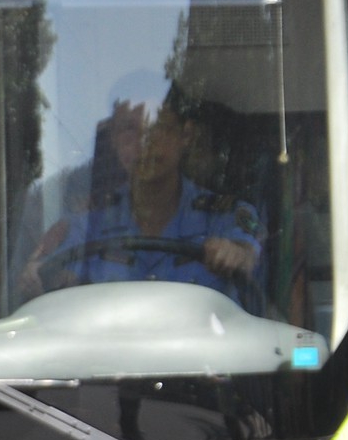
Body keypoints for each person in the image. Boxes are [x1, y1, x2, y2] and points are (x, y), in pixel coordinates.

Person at [21, 83, 264, 313]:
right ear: (114, 140)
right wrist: (37, 277)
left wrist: (237, 255)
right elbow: (47, 279)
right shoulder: (87, 222)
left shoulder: (225, 218)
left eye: (158, 126)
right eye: (129, 129)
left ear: (185, 136)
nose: (145, 142)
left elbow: (250, 262)